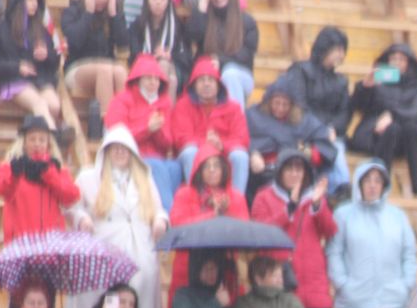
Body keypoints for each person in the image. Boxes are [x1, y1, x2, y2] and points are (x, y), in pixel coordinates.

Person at [67, 126, 168, 308]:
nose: (120, 153)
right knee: (109, 294)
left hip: (139, 245)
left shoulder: (144, 179)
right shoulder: (89, 177)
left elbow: (158, 209)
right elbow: (72, 207)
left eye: (124, 149)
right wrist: (82, 219)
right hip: (106, 244)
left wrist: (160, 221)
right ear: (106, 151)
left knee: (138, 289)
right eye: (115, 148)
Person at [161, 147, 246, 308]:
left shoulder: (235, 197)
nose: (212, 170)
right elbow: (179, 225)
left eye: (217, 165)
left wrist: (224, 213)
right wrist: (211, 214)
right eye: (206, 166)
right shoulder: (185, 194)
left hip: (225, 268)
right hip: (189, 265)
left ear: (225, 169)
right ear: (198, 170)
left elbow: (243, 229)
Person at [328, 159, 417, 308]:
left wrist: (406, 284)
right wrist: (343, 284)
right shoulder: (343, 215)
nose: (372, 185)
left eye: (377, 181)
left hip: (392, 302)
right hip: (355, 303)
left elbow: (408, 254)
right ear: (359, 183)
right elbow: (334, 252)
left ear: (384, 185)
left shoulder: (398, 216)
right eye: (367, 180)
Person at [251, 149, 335, 308]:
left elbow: (329, 230)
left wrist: (317, 204)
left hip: (309, 277)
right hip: (281, 276)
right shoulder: (264, 196)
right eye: (289, 169)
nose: (294, 173)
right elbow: (260, 233)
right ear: (280, 171)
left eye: (299, 169)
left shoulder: (313, 197)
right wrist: (289, 208)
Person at [0, 0, 65, 135]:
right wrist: (17, 67)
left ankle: (40, 134)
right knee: (39, 103)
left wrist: (46, 56)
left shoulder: (40, 28)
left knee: (54, 105)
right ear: (19, 1)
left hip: (40, 79)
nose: (35, 3)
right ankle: (55, 136)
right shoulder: (0, 28)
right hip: (14, 80)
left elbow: (54, 62)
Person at [345, 44, 417, 196]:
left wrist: (392, 115)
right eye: (393, 58)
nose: (396, 62)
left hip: (403, 138)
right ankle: (381, 181)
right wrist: (365, 87)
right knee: (391, 130)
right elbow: (357, 106)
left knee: (413, 129)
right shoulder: (377, 81)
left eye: (401, 59)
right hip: (374, 134)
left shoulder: (416, 87)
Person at [277, 26, 352, 187]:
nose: (340, 54)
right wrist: (321, 129)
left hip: (330, 135)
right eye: (336, 49)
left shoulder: (341, 81)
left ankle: (340, 192)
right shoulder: (301, 71)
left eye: (342, 50)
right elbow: (298, 105)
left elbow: (344, 114)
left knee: (337, 155)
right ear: (325, 48)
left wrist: (331, 128)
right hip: (303, 133)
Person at [166, 54, 250, 197]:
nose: (206, 84)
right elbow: (181, 138)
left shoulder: (233, 107)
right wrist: (207, 144)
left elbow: (242, 139)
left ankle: (236, 203)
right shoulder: (183, 106)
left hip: (223, 153)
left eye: (211, 80)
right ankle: (198, 200)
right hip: (197, 153)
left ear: (218, 84)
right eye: (201, 80)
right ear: (194, 84)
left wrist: (221, 144)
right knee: (189, 152)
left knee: (240, 156)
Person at [107, 55, 183, 212]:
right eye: (148, 78)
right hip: (130, 155)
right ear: (138, 79)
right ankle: (167, 213)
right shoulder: (121, 100)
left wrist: (157, 130)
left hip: (158, 157)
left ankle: (171, 211)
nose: (153, 82)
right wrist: (146, 129)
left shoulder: (165, 102)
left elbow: (168, 143)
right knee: (156, 166)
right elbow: (117, 135)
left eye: (156, 79)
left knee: (175, 168)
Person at [246, 77, 339, 195]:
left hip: (295, 169)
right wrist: (253, 153)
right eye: (276, 103)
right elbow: (241, 139)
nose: (280, 108)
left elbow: (322, 148)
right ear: (269, 101)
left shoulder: (305, 121)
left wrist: (305, 150)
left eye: (285, 104)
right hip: (262, 171)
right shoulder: (254, 116)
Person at [0, 116, 81, 241]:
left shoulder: (57, 169)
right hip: (20, 240)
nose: (37, 144)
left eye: (42, 140)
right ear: (24, 142)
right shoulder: (10, 167)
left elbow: (72, 196)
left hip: (50, 242)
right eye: (32, 139)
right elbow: (2, 191)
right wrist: (15, 175)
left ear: (48, 144)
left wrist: (49, 175)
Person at [182, 0, 257, 108]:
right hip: (209, 71)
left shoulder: (247, 21)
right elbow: (192, 35)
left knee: (229, 74)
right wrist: (203, 3)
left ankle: (235, 120)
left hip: (240, 74)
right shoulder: (204, 18)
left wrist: (221, 61)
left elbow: (247, 54)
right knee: (203, 77)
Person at [61, 0, 129, 116]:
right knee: (104, 70)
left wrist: (113, 15)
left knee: (120, 71)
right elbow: (75, 40)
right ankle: (108, 124)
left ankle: (125, 122)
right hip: (77, 67)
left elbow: (123, 44)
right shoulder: (73, 11)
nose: (101, 0)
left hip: (108, 67)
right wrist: (88, 13)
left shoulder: (113, 14)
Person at [124, 0, 190, 100]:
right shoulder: (138, 25)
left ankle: (160, 109)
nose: (158, 2)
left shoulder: (177, 25)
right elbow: (134, 53)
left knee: (165, 65)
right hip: (143, 68)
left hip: (174, 67)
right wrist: (152, 58)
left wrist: (170, 55)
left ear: (168, 2)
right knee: (170, 78)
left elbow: (186, 55)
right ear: (147, 1)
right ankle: (164, 111)